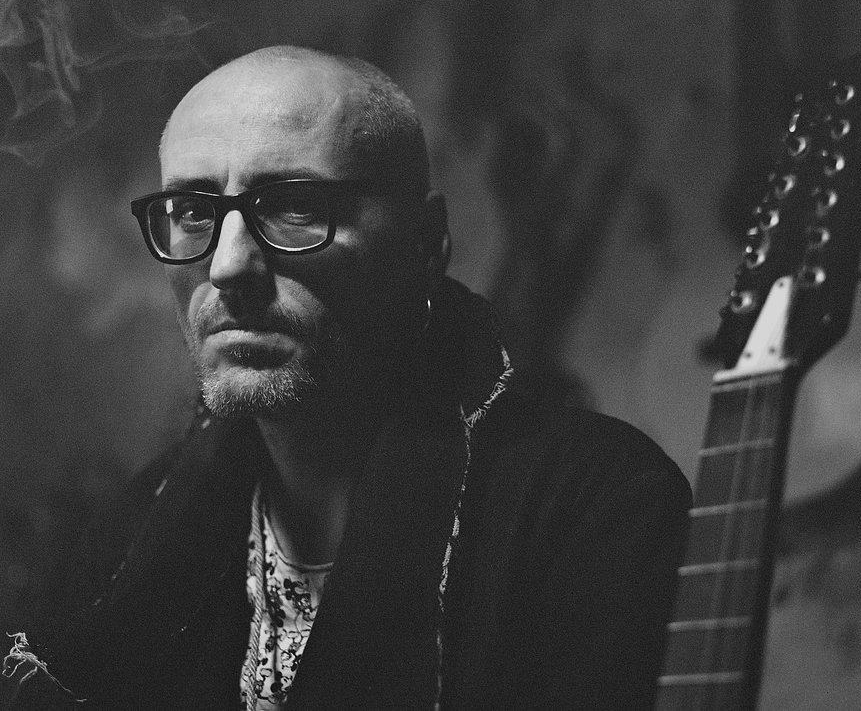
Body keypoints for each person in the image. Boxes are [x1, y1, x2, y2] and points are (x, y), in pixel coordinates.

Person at [5, 46, 691, 710]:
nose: (227, 266)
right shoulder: (132, 538)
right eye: (192, 213)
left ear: (424, 240)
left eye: (293, 206)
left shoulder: (595, 508)